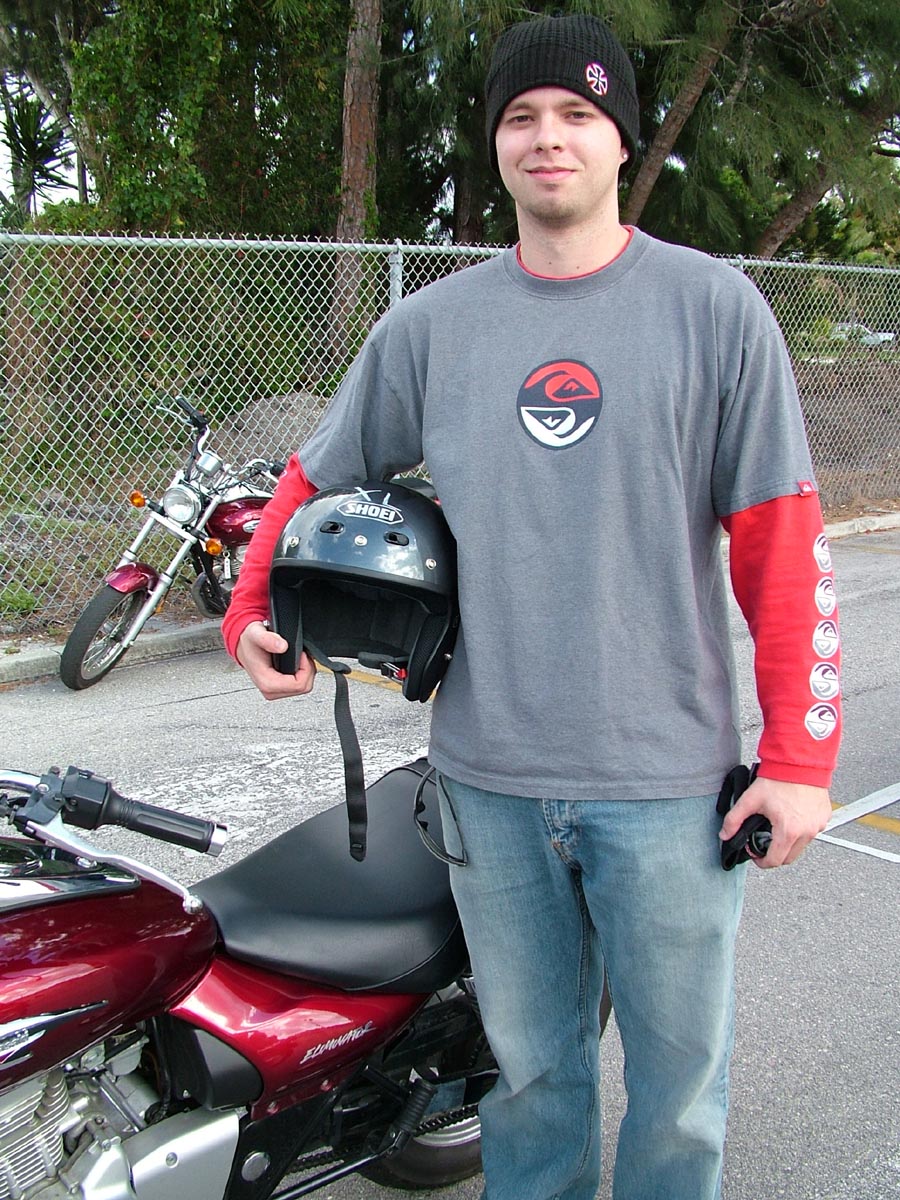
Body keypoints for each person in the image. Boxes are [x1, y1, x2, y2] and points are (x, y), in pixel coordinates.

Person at [222, 13, 841, 1200]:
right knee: (532, 1080)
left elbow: (784, 547)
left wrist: (801, 759)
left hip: (668, 790)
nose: (547, 137)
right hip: (489, 784)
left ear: (623, 141)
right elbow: (313, 474)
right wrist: (254, 605)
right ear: (497, 144)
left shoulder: (715, 312)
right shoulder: (431, 329)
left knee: (679, 1097)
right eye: (520, 116)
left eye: (577, 114)